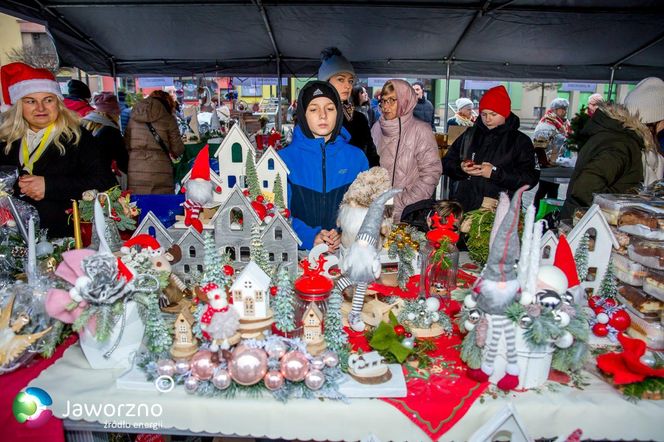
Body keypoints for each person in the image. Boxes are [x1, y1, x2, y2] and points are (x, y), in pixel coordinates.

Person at [0, 62, 115, 237]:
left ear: (58, 103)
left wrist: (50, 186)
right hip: (12, 241)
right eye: (31, 101)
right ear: (18, 106)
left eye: (48, 100)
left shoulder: (78, 137)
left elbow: (106, 184)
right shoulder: (6, 140)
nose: (40, 108)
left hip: (64, 239)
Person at [279, 81, 369, 251]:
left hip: (346, 255)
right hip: (298, 257)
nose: (323, 115)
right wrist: (309, 236)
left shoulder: (357, 159)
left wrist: (344, 235)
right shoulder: (282, 160)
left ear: (338, 113)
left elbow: (365, 212)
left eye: (329, 108)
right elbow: (274, 213)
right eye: (313, 109)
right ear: (303, 114)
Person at [561, 77, 664, 219]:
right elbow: (585, 188)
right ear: (653, 119)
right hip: (587, 230)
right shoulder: (620, 143)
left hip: (588, 226)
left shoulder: (621, 137)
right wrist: (622, 216)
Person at [443, 85, 539, 213]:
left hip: (500, 209)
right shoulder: (469, 135)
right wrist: (461, 168)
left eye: (493, 114)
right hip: (465, 206)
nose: (487, 119)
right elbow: (446, 163)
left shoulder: (520, 141)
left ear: (505, 113)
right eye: (484, 114)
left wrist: (494, 173)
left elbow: (529, 179)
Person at [372, 79, 442, 222]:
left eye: (392, 100)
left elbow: (431, 173)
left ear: (405, 100)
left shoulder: (421, 131)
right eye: (383, 100)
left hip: (408, 213)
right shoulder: (376, 128)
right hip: (376, 210)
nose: (386, 106)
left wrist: (405, 203)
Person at [318, 47, 380, 167]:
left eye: (350, 81)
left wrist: (375, 178)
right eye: (341, 79)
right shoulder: (312, 118)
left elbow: (372, 156)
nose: (347, 86)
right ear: (326, 82)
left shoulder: (359, 118)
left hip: (358, 182)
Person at [125, 90, 184, 194]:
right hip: (160, 168)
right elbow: (177, 149)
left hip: (136, 168)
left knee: (138, 205)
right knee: (161, 205)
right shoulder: (168, 119)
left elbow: (126, 143)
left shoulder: (133, 117)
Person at [532, 98, 571, 208]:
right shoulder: (547, 123)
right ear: (554, 110)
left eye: (565, 109)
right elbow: (539, 146)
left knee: (553, 189)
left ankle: (549, 213)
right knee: (543, 189)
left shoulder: (563, 124)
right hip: (546, 164)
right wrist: (544, 162)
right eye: (561, 109)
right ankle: (535, 211)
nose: (564, 111)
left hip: (556, 163)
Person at [82, 92, 129, 178]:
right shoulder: (111, 131)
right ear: (113, 113)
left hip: (83, 176)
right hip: (103, 177)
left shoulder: (83, 123)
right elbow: (123, 160)